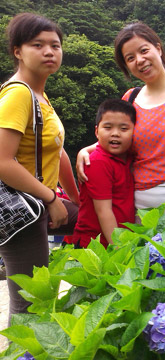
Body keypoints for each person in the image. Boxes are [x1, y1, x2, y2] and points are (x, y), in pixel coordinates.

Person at [77, 22, 165, 210]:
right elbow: (118, 140)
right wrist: (86, 151)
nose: (140, 60)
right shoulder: (130, 99)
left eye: (144, 50)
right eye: (130, 58)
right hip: (141, 208)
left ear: (158, 49)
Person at [0, 13, 79, 319]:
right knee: (31, 306)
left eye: (55, 45)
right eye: (38, 44)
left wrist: (76, 198)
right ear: (18, 51)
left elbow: (57, 153)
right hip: (22, 208)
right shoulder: (18, 94)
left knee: (94, 222)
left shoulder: (39, 96)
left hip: (39, 202)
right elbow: (2, 161)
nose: (49, 51)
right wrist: (52, 199)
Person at [67, 99, 136, 248]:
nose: (115, 134)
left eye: (124, 129)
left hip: (118, 240)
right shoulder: (98, 162)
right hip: (95, 245)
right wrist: (118, 249)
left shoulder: (129, 156)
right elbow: (104, 212)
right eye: (108, 127)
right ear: (97, 131)